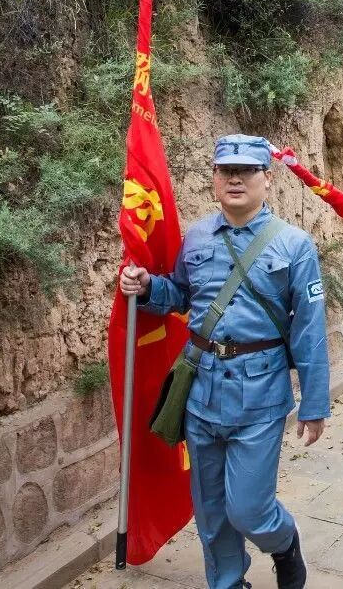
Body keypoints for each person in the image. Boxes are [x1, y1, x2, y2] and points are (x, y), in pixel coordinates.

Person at [119, 135, 328, 589]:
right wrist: (148, 287)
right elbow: (180, 295)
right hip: (201, 390)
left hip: (260, 394)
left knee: (249, 509)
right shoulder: (197, 236)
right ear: (214, 178)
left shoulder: (294, 245)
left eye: (247, 170)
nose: (236, 179)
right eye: (226, 170)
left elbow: (309, 331)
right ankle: (228, 582)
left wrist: (314, 405)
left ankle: (284, 542)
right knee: (212, 511)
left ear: (267, 179)